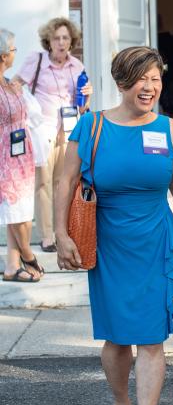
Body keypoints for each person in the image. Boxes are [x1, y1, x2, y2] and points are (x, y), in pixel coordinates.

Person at [54, 46, 173, 405]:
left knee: (152, 339)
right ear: (121, 82)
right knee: (117, 339)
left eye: (155, 79)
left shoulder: (170, 128)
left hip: (155, 240)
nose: (149, 87)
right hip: (107, 242)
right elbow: (65, 179)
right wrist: (61, 234)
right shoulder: (92, 124)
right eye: (141, 79)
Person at [13, 17, 92, 252]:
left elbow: (82, 107)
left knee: (64, 183)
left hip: (68, 133)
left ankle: (62, 232)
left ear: (72, 41)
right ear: (48, 40)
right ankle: (46, 236)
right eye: (56, 38)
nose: (60, 42)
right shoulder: (36, 61)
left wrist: (87, 97)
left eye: (65, 38)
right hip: (42, 131)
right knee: (43, 183)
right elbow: (16, 86)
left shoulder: (77, 66)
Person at [0, 30, 44, 283]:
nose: (17, 53)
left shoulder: (11, 83)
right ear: (4, 55)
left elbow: (32, 115)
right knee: (15, 212)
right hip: (5, 157)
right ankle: (28, 256)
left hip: (22, 155)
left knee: (22, 211)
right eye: (14, 49)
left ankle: (11, 266)